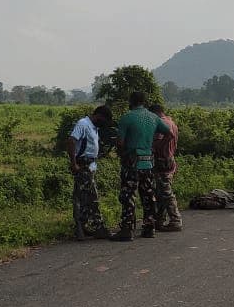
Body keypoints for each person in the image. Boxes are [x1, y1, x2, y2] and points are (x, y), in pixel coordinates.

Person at [110, 92, 172, 241]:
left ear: (131, 102)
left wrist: (122, 154)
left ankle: (127, 229)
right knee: (148, 195)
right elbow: (169, 133)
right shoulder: (154, 117)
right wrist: (156, 147)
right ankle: (149, 228)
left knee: (128, 196)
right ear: (144, 102)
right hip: (148, 162)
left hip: (132, 163)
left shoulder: (127, 118)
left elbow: (120, 142)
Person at [67, 105, 113, 240]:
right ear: (98, 116)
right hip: (83, 166)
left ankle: (83, 227)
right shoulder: (83, 124)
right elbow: (71, 141)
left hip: (90, 166)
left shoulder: (94, 128)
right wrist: (73, 162)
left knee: (82, 197)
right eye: (103, 120)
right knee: (93, 197)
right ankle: (98, 227)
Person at [150, 104, 181, 231]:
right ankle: (159, 219)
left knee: (165, 191)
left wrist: (155, 146)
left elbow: (162, 140)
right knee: (161, 191)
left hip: (162, 159)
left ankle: (175, 220)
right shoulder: (171, 122)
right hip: (170, 159)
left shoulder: (161, 124)